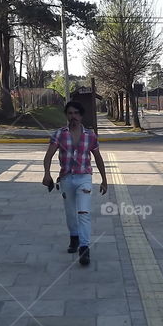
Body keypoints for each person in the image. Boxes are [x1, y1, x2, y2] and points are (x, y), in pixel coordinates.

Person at [42, 101, 108, 266]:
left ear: (81, 115)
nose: (73, 116)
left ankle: (84, 248)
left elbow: (98, 158)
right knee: (71, 213)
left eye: (76, 113)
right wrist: (47, 174)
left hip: (84, 178)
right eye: (70, 113)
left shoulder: (90, 136)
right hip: (66, 179)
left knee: (84, 212)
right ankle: (74, 237)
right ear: (67, 115)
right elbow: (49, 155)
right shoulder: (59, 134)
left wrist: (104, 180)